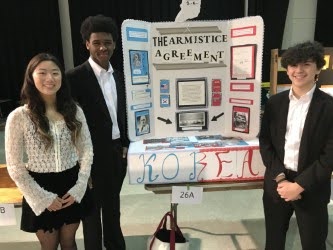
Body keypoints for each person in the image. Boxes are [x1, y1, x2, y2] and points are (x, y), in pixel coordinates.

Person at [5, 53, 93, 250]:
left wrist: (80, 185)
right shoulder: (19, 117)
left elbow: (86, 149)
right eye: (42, 73)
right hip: (38, 185)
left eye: (55, 73)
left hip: (71, 183)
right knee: (49, 245)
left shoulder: (74, 110)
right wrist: (42, 197)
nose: (49, 78)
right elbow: (14, 166)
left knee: (69, 242)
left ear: (62, 77)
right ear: (31, 77)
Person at [259, 41, 333, 250]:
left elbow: (330, 155)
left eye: (306, 64)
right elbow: (265, 142)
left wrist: (299, 185)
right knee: (273, 242)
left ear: (318, 67)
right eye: (293, 65)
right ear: (287, 68)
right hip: (277, 184)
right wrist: (281, 178)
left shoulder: (328, 107)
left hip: (312, 186)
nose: (298, 70)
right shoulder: (275, 103)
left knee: (313, 243)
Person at [66, 14, 129, 250]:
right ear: (87, 44)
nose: (103, 47)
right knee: (91, 214)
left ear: (114, 44)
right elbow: (69, 124)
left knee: (113, 207)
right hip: (89, 157)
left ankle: (115, 246)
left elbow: (121, 114)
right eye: (97, 42)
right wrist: (79, 162)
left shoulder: (120, 76)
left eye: (108, 42)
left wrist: (125, 142)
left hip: (116, 154)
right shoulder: (74, 78)